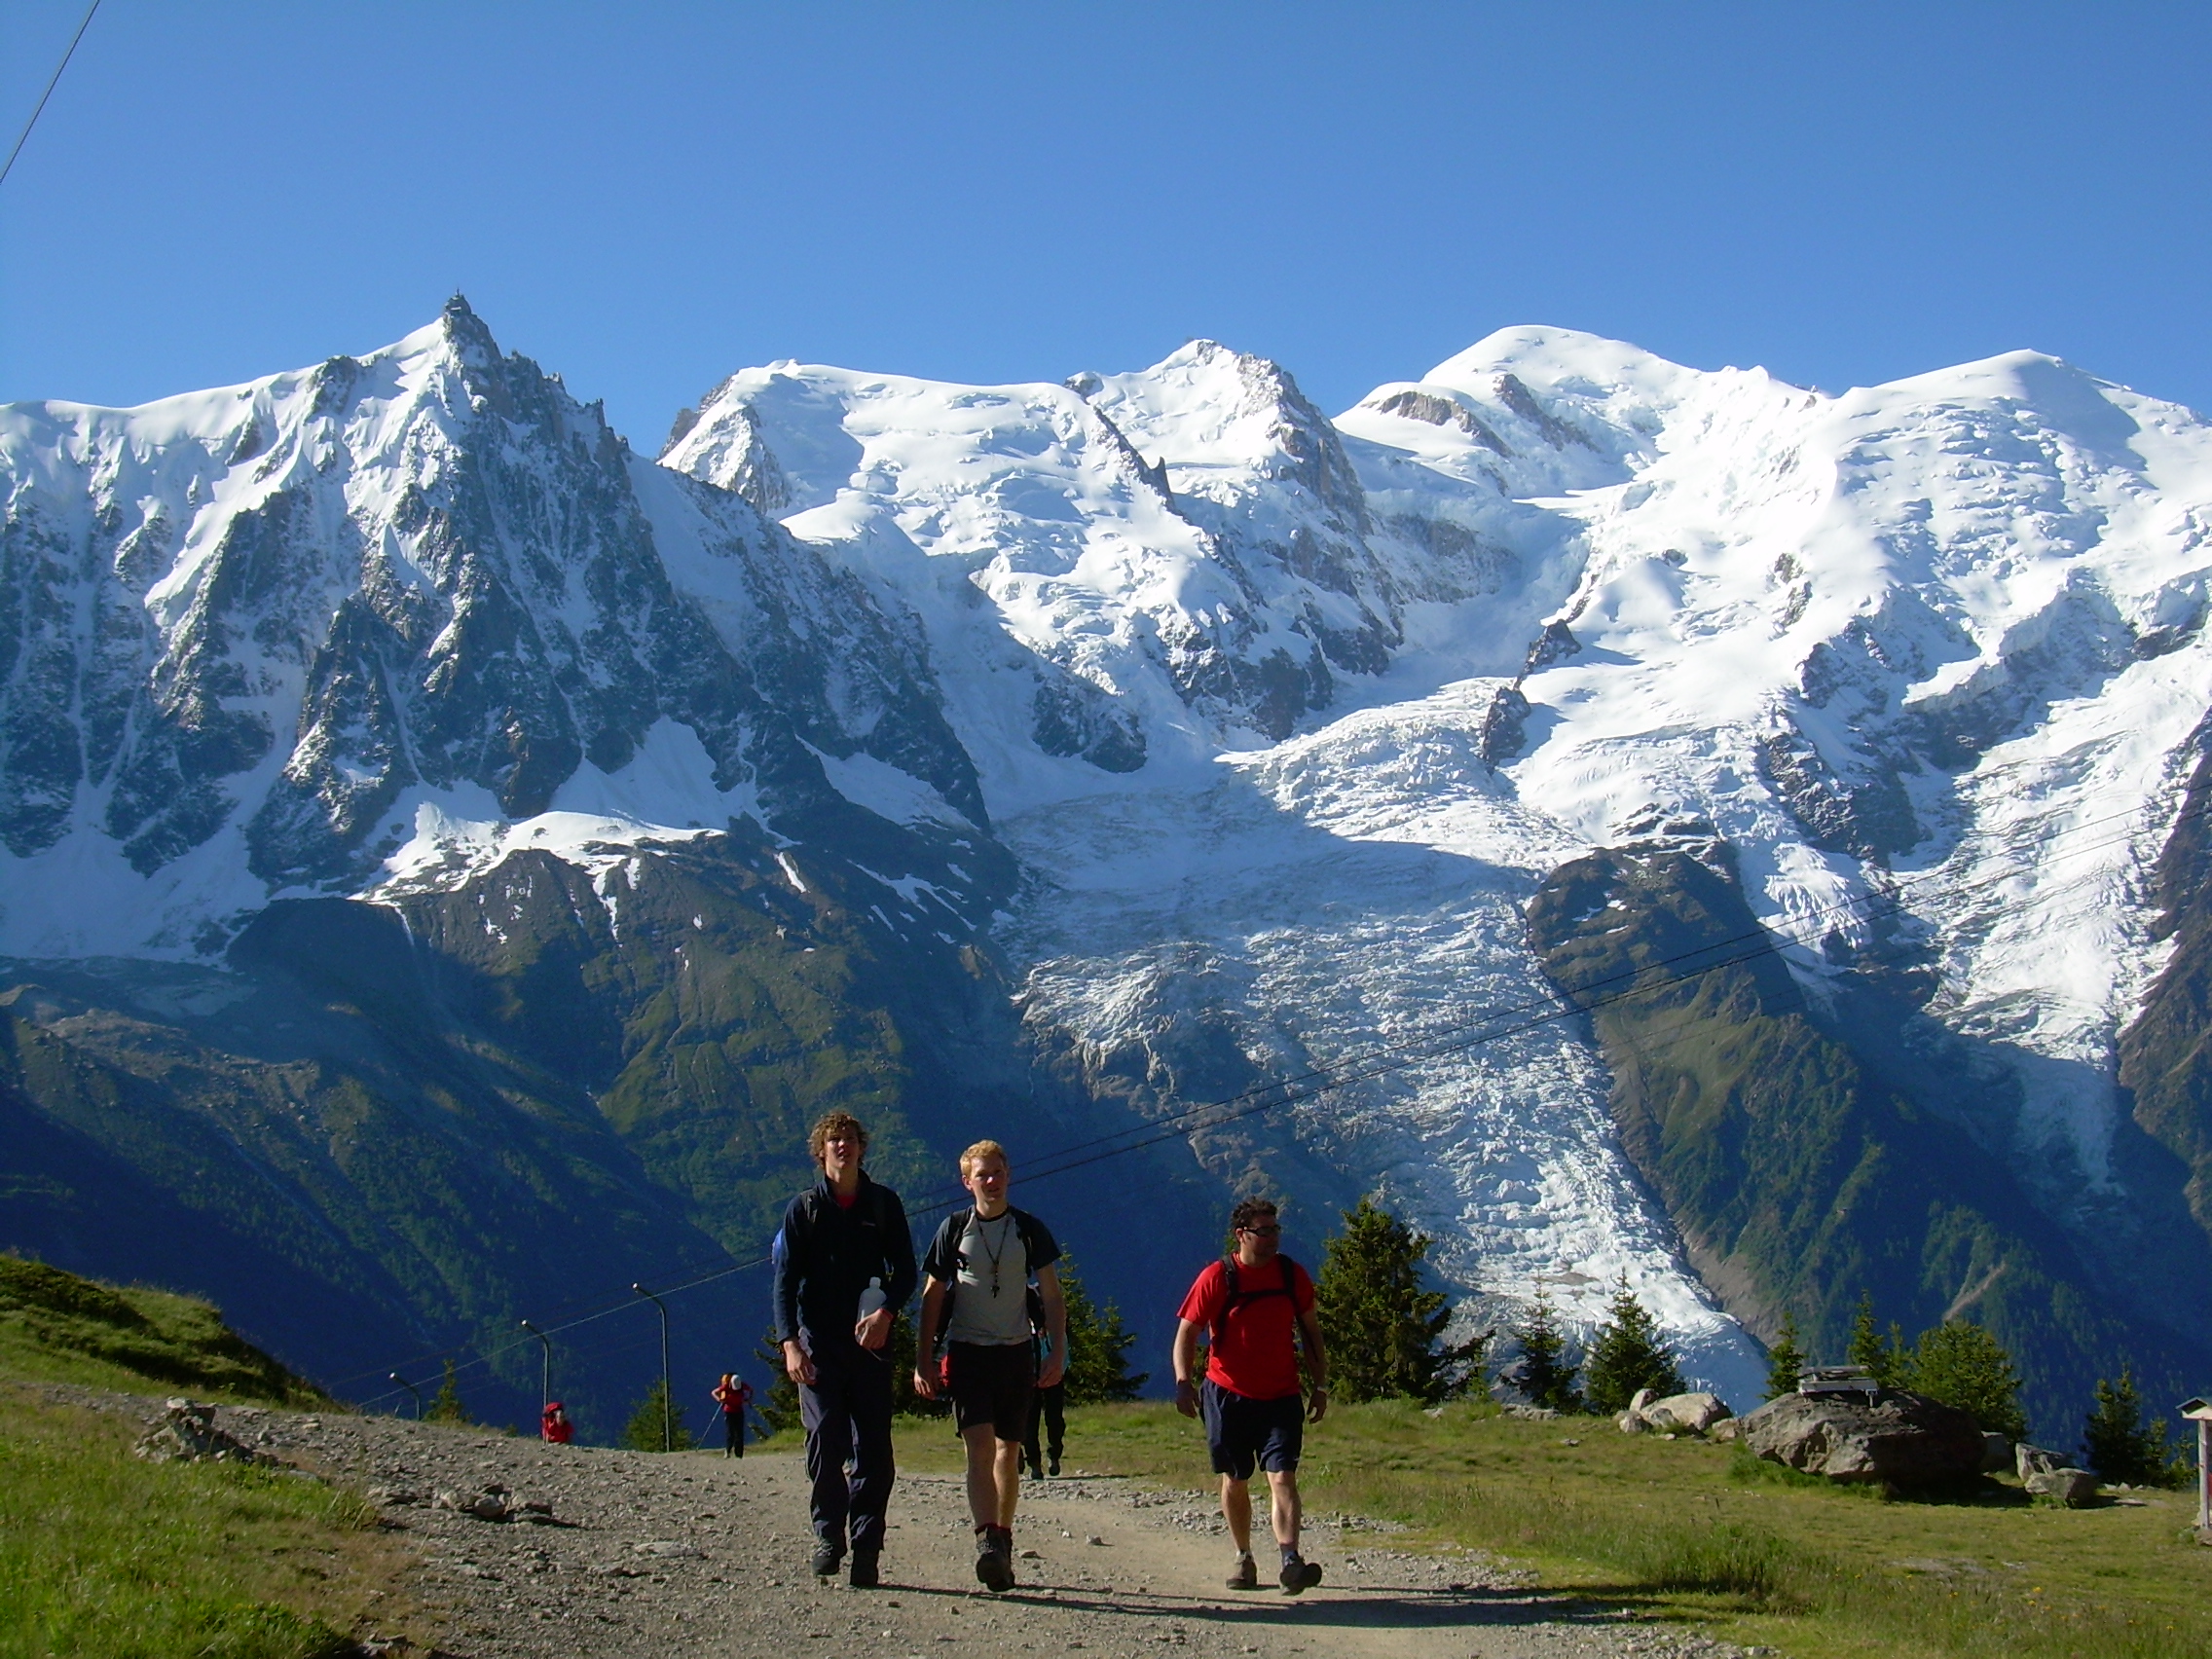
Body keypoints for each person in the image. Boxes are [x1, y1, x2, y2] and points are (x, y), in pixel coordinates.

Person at [771, 1110, 916, 1589]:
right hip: (818, 1343)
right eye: (834, 1139)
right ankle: (829, 1536)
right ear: (821, 1151)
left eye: (850, 1138)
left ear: (861, 1147)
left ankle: (868, 1548)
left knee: (874, 1448)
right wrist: (789, 1343)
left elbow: (908, 1273)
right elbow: (785, 1282)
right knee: (824, 1440)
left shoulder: (883, 1204)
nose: (842, 1146)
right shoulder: (804, 1209)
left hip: (870, 1345)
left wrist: (886, 1314)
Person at [913, 1140, 1065, 1592]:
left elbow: (1053, 1295)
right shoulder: (953, 1228)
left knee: (1008, 1450)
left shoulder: (1029, 1229)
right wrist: (924, 1360)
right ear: (968, 1182)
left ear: (1009, 1174)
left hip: (1017, 1352)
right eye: (983, 1175)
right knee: (978, 1447)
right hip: (969, 1351)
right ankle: (987, 1540)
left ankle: (1002, 1537)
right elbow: (932, 1296)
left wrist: (1056, 1351)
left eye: (998, 1172)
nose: (992, 1181)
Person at [1173, 1197, 1329, 1595]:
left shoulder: (1292, 1276)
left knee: (1283, 1476)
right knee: (1236, 1477)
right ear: (1242, 1235)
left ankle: (1290, 1559)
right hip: (1228, 1395)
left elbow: (1311, 1333)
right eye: (1264, 1231)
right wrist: (1183, 1382)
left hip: (1282, 1395)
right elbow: (1187, 1333)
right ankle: (1243, 1555)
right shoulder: (1218, 1277)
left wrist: (1321, 1384)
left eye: (1276, 1230)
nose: (1273, 1238)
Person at [1021, 1283, 1067, 1480]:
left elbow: (1064, 1356)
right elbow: (1065, 1356)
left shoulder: (1053, 1334)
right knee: (1037, 1421)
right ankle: (1037, 1462)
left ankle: (1043, 1459)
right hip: (1037, 1379)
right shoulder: (1027, 1332)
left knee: (1045, 1420)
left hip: (1044, 1378)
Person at [710, 1373, 755, 1457]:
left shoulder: (742, 1385)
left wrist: (749, 1399)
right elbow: (714, 1392)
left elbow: (751, 1390)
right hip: (729, 1411)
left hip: (738, 1411)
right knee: (731, 1432)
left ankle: (739, 1454)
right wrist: (719, 1399)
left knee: (739, 1433)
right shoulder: (727, 1386)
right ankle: (728, 1451)